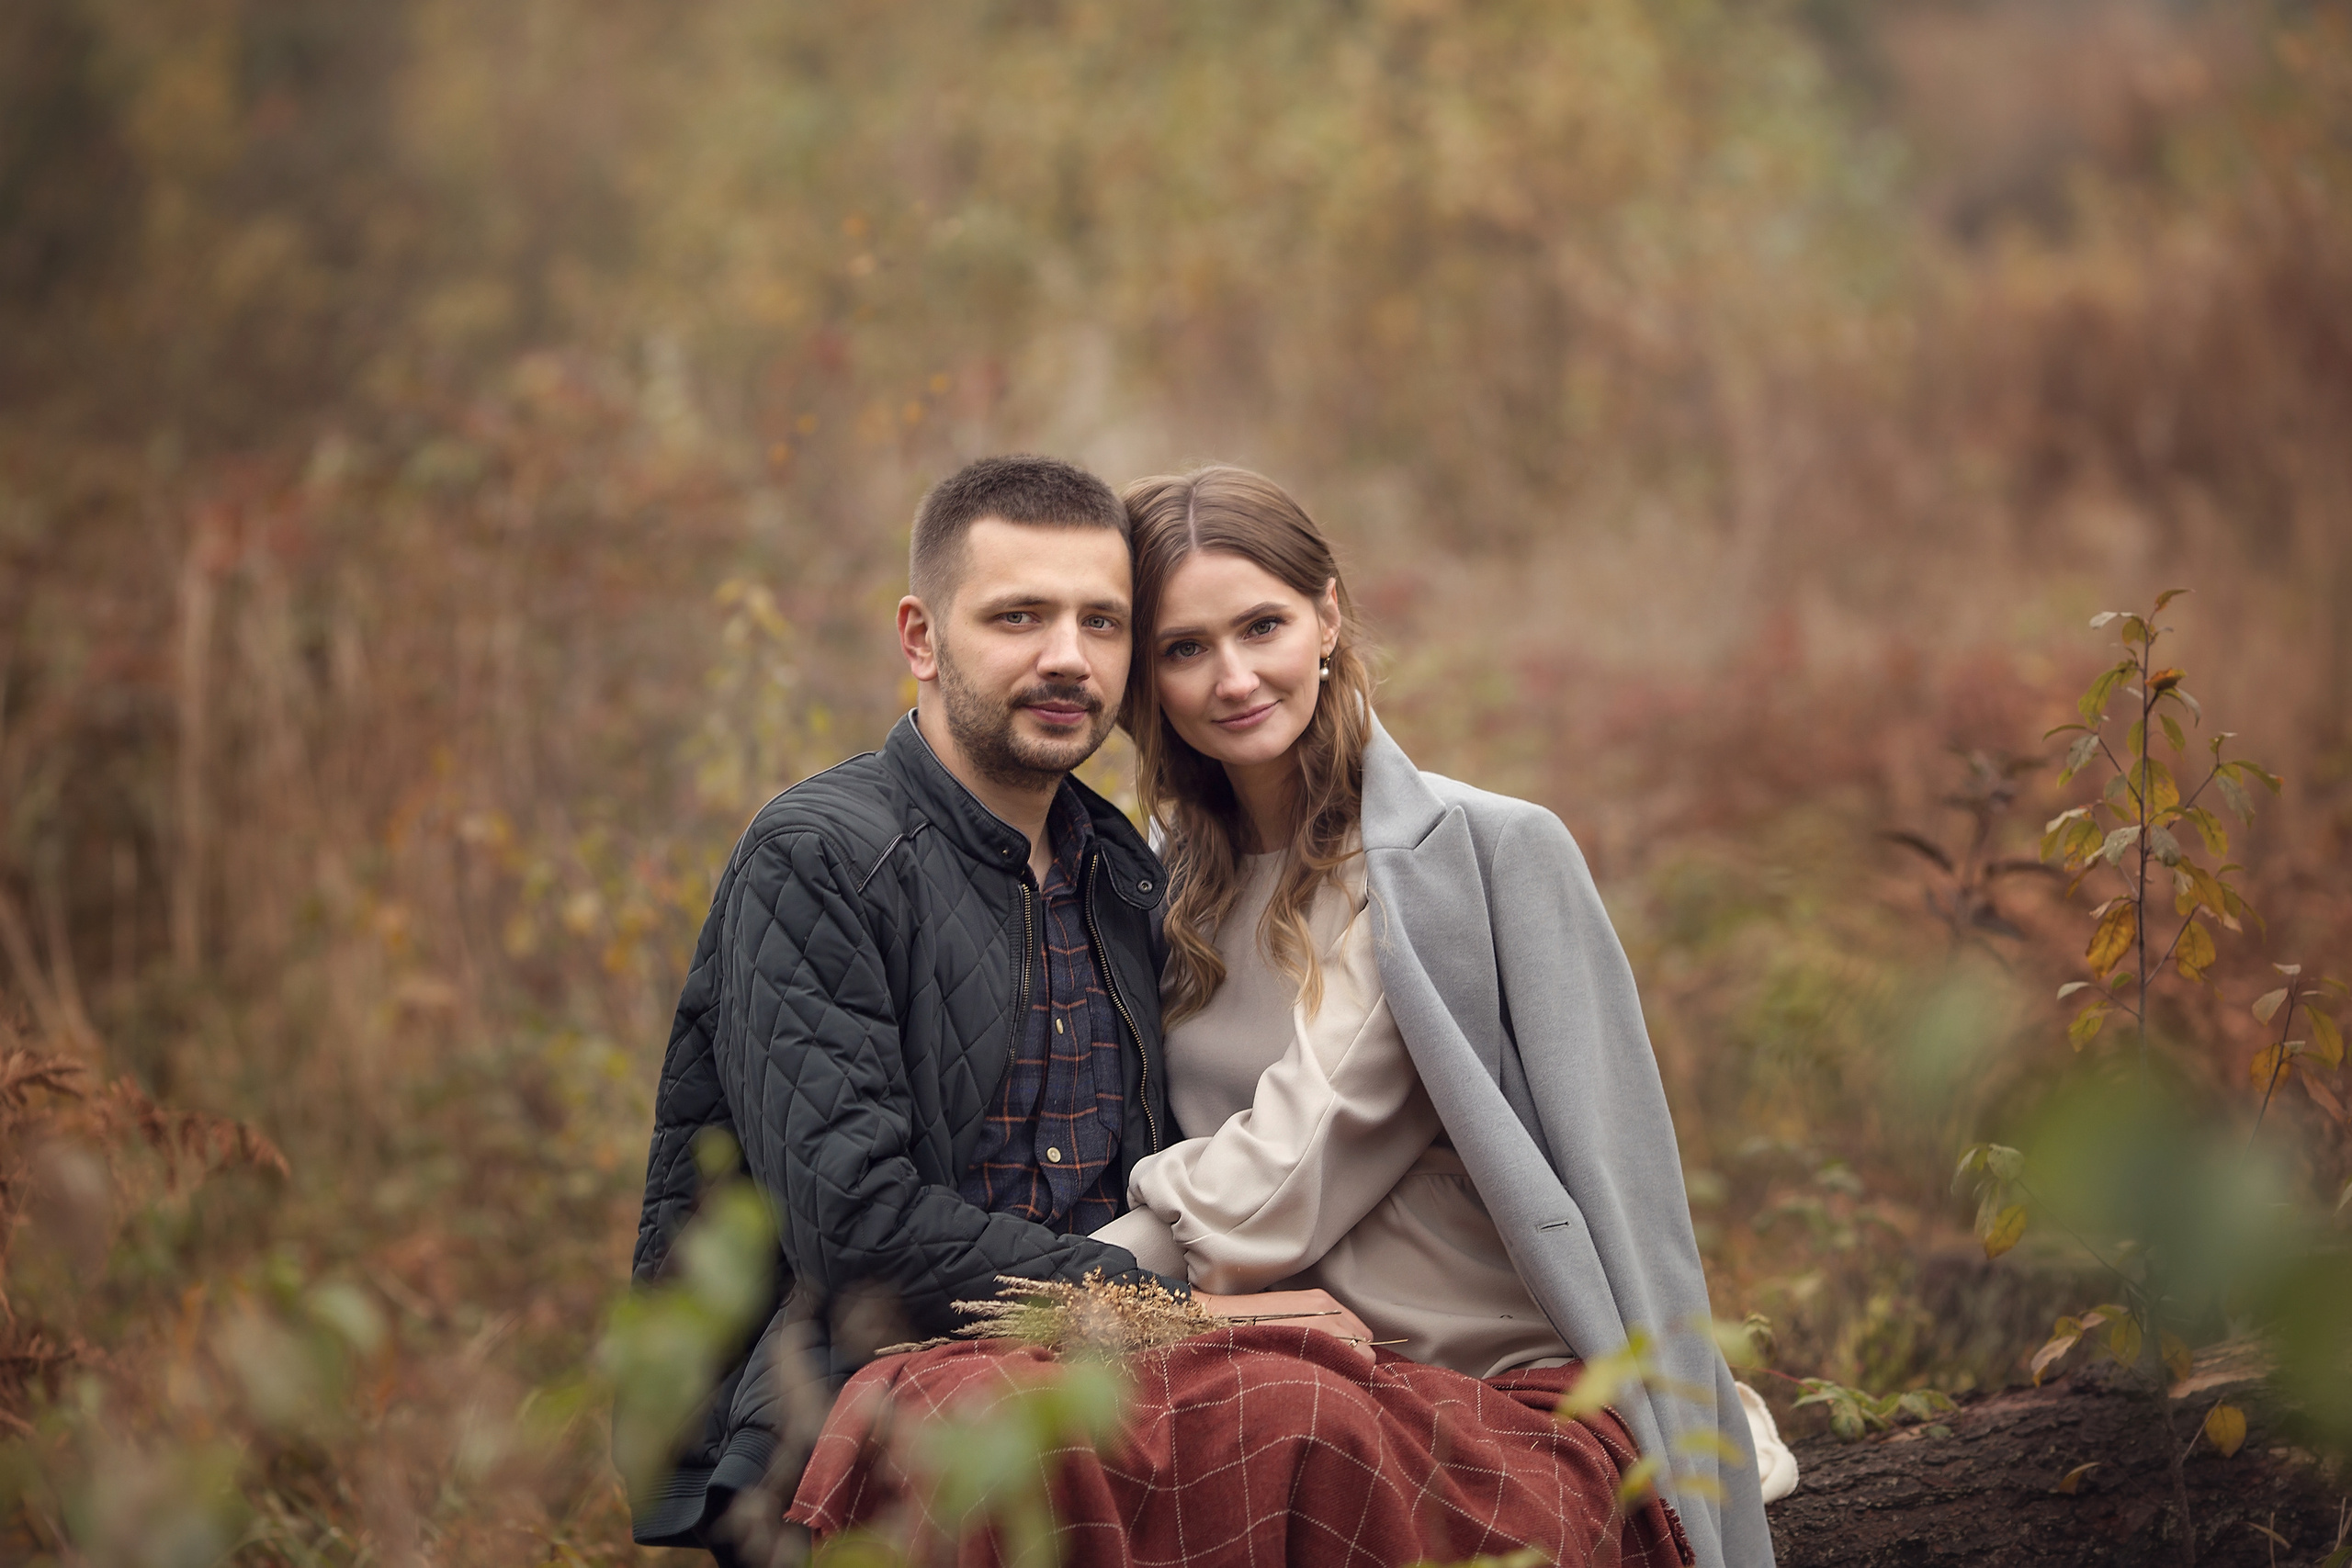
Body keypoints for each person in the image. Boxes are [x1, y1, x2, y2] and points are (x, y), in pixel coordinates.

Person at [1082, 466, 1786, 1568]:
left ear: (1326, 616)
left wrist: (1078, 1278)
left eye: (1262, 625)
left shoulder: (1463, 856)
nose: (1233, 678)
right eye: (1184, 648)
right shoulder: (1158, 883)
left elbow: (1286, 1177)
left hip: (1479, 1372)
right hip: (1260, 1346)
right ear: (1144, 680)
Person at [627, 455, 1260, 1559]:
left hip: (1100, 1401)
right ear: (920, 637)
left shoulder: (1125, 872)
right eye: (1019, 616)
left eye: (1102, 623)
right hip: (843, 1409)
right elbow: (857, 1227)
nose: (1067, 658)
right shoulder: (822, 858)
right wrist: (1142, 1296)